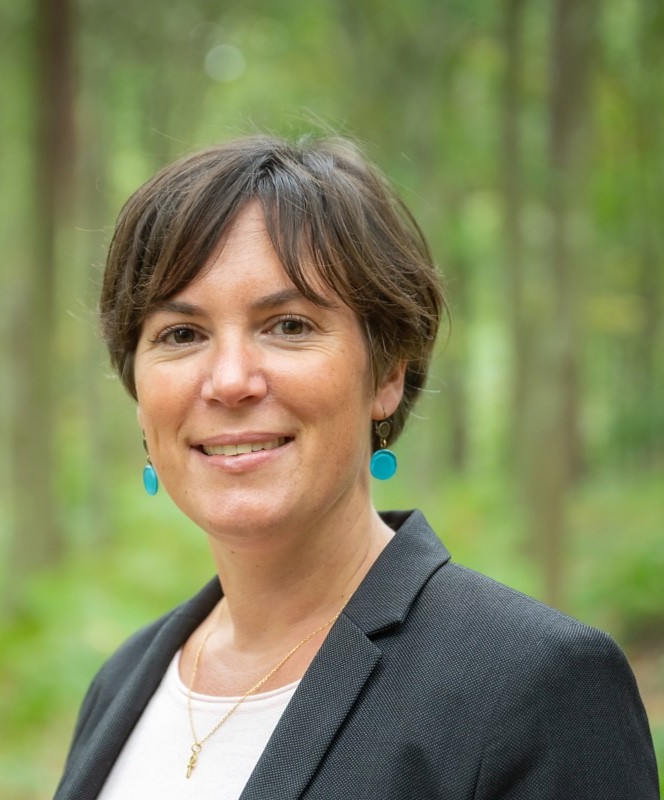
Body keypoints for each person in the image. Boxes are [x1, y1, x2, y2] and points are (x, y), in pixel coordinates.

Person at [53, 135, 658, 799]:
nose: (229, 381)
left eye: (288, 325)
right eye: (182, 334)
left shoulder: (535, 684)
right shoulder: (121, 684)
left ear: (388, 372)